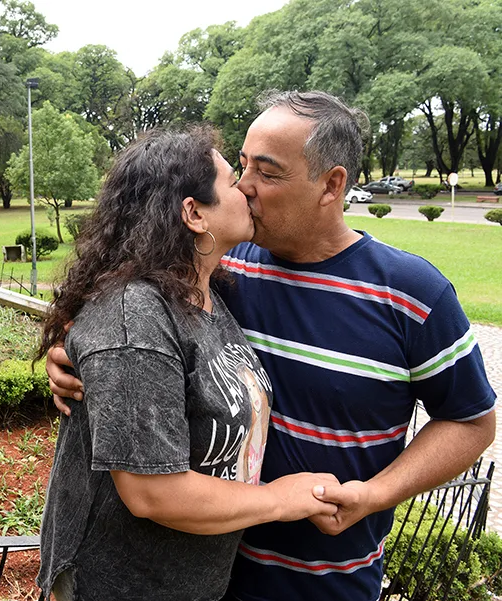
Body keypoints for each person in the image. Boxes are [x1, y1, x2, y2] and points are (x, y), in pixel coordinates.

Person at [45, 91, 497, 601]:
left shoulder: (412, 294)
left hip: (327, 585)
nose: (245, 187)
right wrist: (70, 354)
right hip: (198, 576)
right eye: (240, 167)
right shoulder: (222, 272)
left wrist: (376, 495)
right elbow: (126, 313)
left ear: (331, 184)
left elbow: (471, 420)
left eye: (268, 171)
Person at [35, 125, 340, 601]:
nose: (245, 188)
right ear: (195, 214)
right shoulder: (136, 317)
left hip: (186, 582)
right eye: (231, 180)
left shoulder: (208, 294)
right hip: (118, 585)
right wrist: (283, 498)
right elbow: (152, 491)